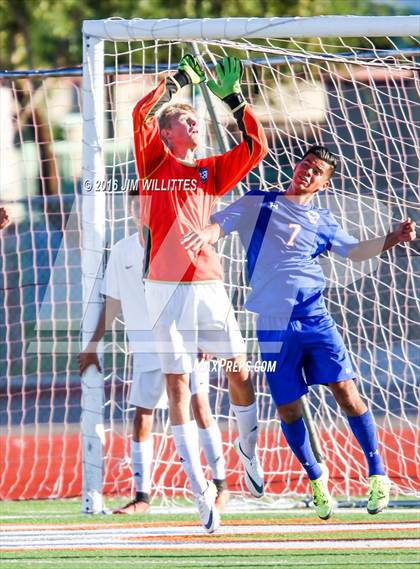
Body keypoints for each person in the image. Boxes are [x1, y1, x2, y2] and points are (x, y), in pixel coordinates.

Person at [182, 145, 416, 520]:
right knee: (288, 406)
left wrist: (393, 238)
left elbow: (354, 252)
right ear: (296, 166)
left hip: (314, 318)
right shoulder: (259, 201)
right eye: (306, 163)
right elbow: (220, 223)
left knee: (346, 391)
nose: (309, 171)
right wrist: (206, 233)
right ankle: (317, 480)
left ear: (324, 184)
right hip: (272, 325)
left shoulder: (322, 220)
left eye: (318, 170)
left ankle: (378, 474)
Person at [132, 54, 268, 532]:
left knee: (240, 373)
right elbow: (140, 115)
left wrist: (233, 99)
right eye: (187, 120)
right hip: (162, 290)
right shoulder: (152, 162)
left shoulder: (210, 172)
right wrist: (177, 84)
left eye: (196, 118)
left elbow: (255, 148)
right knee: (178, 388)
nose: (195, 123)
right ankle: (200, 491)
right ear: (168, 134)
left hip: (209, 286)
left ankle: (248, 452)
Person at [77, 199, 231, 515]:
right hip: (146, 346)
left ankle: (220, 486)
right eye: (135, 205)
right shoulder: (121, 251)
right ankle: (142, 497)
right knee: (142, 415)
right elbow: (114, 302)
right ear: (129, 209)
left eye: (147, 204)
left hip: (185, 339)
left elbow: (199, 290)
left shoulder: (180, 242)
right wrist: (92, 344)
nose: (141, 210)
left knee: (199, 406)